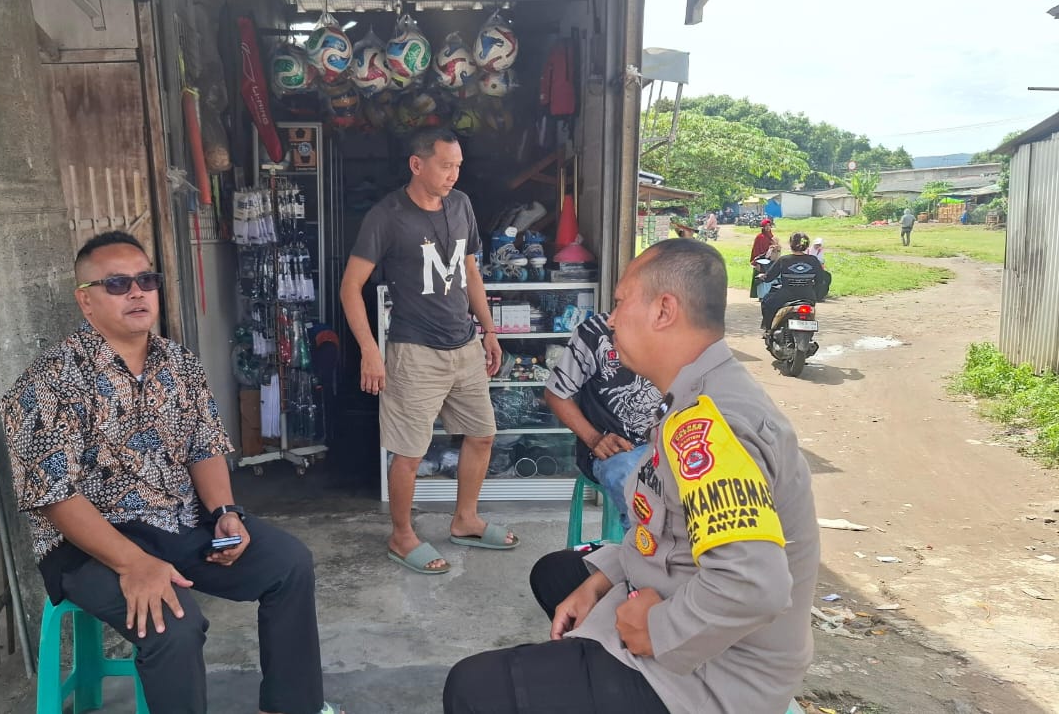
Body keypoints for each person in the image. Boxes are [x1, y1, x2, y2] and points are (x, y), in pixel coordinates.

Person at [443, 238, 820, 714]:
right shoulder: (689, 394)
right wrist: (602, 581)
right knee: (559, 575)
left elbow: (753, 586)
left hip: (717, 675)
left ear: (664, 311)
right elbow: (665, 531)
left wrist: (657, 630)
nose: (612, 319)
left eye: (621, 303)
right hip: (679, 591)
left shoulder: (710, 426)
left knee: (471, 688)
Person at [0, 231, 341, 714]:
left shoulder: (179, 363)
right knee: (175, 627)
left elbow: (204, 447)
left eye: (146, 280)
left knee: (288, 563)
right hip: (90, 546)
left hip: (177, 521)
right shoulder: (49, 380)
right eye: (117, 284)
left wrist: (225, 512)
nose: (136, 292)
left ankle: (292, 706)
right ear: (86, 301)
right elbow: (56, 497)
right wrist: (133, 564)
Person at [339, 127, 517, 575]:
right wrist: (369, 350)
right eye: (445, 165)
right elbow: (350, 287)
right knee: (410, 453)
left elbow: (470, 271)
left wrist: (489, 331)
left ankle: (465, 519)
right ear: (417, 165)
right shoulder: (387, 216)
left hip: (465, 345)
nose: (453, 175)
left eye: (458, 166)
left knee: (482, 435)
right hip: (414, 351)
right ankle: (401, 536)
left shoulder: (461, 205)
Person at [543, 314, 662, 531]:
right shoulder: (595, 332)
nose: (614, 316)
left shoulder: (684, 331)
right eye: (618, 301)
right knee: (628, 478)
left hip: (668, 445)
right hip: (615, 452)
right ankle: (642, 545)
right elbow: (556, 394)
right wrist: (594, 438)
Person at [759, 232, 831, 331]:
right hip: (808, 297)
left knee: (766, 302)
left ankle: (768, 329)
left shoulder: (784, 260)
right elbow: (820, 280)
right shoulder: (814, 260)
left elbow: (769, 278)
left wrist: (762, 277)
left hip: (786, 295)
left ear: (791, 244)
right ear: (806, 245)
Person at [748, 219, 778, 298]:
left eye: (769, 226)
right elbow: (756, 250)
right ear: (763, 227)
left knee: (769, 278)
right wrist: (757, 262)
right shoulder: (759, 237)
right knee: (760, 278)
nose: (768, 227)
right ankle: (760, 295)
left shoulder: (772, 237)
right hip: (761, 261)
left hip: (770, 261)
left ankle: (767, 294)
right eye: (766, 226)